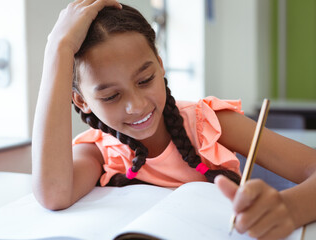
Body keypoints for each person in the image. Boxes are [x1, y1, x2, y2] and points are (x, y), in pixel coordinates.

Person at [32, 1, 316, 239]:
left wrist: (289, 209)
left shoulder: (208, 123)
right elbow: (54, 194)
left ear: (160, 64)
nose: (137, 106)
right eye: (111, 96)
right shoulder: (99, 150)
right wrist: (58, 47)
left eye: (145, 80)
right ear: (82, 101)